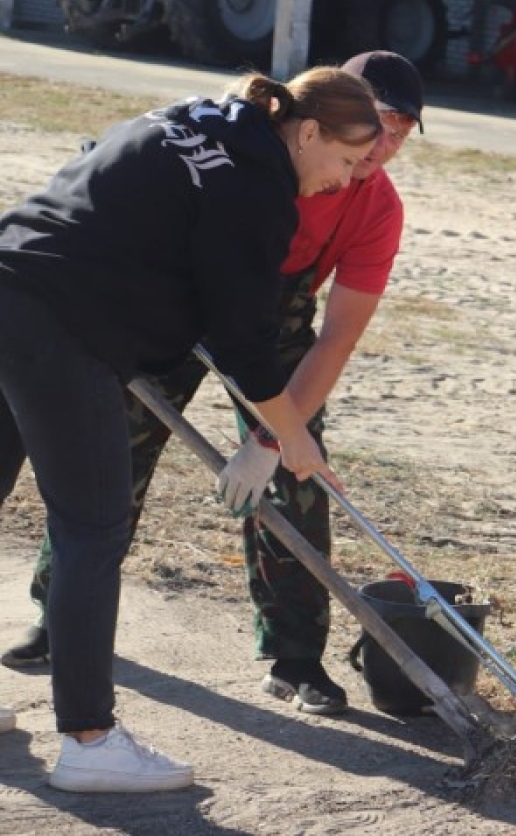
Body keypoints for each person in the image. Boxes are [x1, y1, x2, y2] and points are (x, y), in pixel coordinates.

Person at [1, 51, 423, 717]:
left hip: (269, 310)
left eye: (399, 130)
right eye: (374, 122)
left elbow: (333, 336)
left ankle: (296, 655)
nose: (380, 145)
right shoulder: (254, 165)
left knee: (296, 475)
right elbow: (222, 302)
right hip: (181, 289)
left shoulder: (372, 207)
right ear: (320, 119)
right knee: (112, 453)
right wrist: (277, 426)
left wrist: (272, 437)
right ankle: (60, 618)